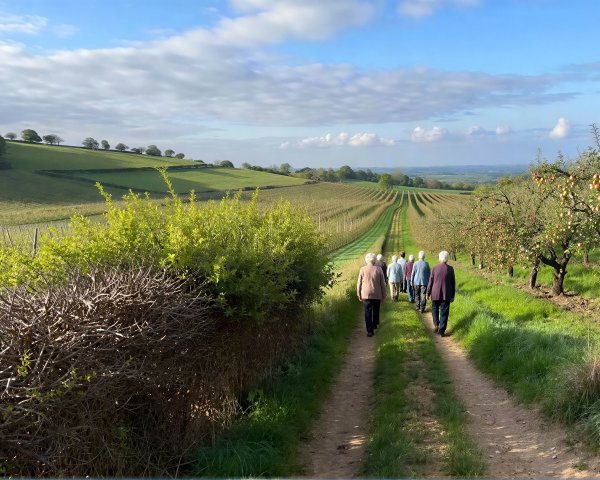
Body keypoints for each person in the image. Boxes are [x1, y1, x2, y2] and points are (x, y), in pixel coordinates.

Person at [426, 250, 456, 337]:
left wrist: (428, 293)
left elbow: (430, 282)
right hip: (446, 294)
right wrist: (452, 295)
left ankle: (436, 324)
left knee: (434, 308)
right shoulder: (450, 269)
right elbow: (453, 283)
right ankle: (441, 331)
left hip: (435, 293)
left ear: (439, 258)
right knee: (444, 312)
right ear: (447, 259)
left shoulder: (435, 268)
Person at [357, 253, 387, 336]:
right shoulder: (379, 269)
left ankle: (369, 331)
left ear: (366, 260)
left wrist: (358, 294)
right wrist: (384, 295)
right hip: (377, 293)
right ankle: (374, 324)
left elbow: (359, 283)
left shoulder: (362, 269)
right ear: (374, 260)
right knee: (376, 309)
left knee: (367, 312)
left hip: (366, 294)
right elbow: (382, 283)